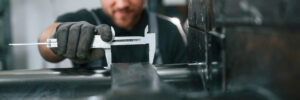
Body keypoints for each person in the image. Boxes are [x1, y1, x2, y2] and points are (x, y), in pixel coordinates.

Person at [38, 0, 186, 67]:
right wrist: (58, 36)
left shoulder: (169, 30)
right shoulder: (84, 19)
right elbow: (45, 42)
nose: (122, 4)